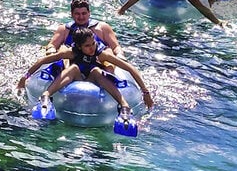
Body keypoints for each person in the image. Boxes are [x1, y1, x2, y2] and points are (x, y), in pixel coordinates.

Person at [17, 28, 155, 120]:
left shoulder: (102, 54)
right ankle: (46, 96)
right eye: (87, 46)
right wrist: (25, 77)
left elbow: (130, 68)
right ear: (78, 46)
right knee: (74, 68)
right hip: (76, 78)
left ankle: (124, 105)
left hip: (94, 80)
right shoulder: (71, 52)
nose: (92, 48)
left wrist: (146, 93)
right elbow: (43, 60)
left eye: (93, 43)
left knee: (96, 70)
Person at [45, 0, 123, 58]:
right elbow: (52, 45)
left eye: (84, 13)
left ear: (89, 13)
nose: (81, 17)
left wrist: (119, 54)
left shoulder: (102, 27)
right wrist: (51, 50)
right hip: (72, 64)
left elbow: (115, 46)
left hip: (99, 63)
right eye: (77, 14)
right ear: (72, 14)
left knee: (108, 50)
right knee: (63, 48)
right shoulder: (64, 29)